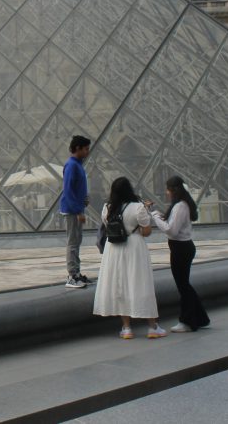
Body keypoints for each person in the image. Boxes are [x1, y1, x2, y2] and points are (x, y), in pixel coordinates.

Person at [93, 177, 166, 339]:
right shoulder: (138, 207)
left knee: (120, 286)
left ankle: (126, 328)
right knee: (141, 283)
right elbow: (146, 232)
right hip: (134, 247)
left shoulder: (107, 207)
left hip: (114, 249)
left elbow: (107, 226)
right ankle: (152, 327)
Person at [146, 176, 210, 332]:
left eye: (168, 189)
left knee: (183, 286)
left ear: (173, 190)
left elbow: (171, 230)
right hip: (183, 247)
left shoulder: (180, 206)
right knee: (185, 285)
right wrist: (154, 212)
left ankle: (188, 321)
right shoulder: (182, 204)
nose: (167, 193)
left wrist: (154, 216)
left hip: (180, 248)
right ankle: (200, 318)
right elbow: (171, 223)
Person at [60, 135, 92, 288]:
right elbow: (68, 190)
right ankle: (72, 276)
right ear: (78, 148)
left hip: (76, 208)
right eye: (86, 149)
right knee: (73, 242)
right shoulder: (72, 165)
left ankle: (77, 273)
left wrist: (84, 199)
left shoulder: (77, 164)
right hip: (72, 211)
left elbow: (76, 188)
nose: (88, 152)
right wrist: (79, 210)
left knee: (76, 241)